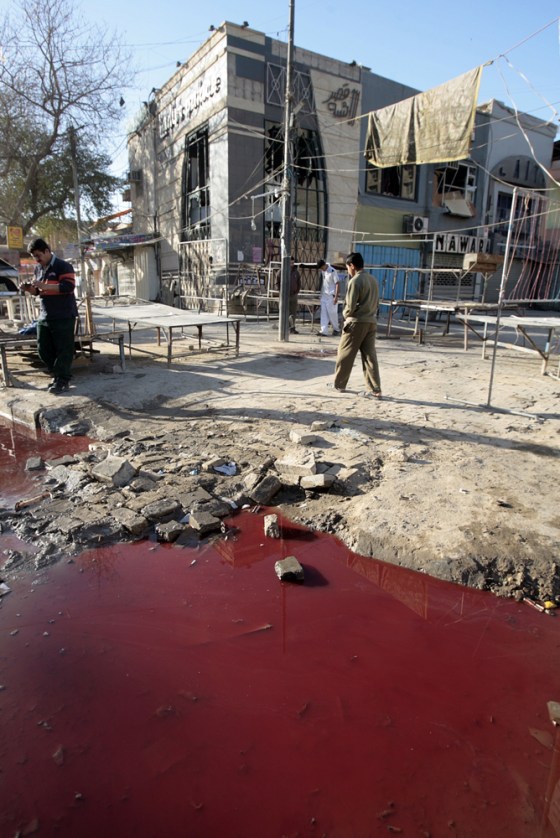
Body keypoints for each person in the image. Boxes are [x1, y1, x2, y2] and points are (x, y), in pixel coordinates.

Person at [21, 238, 78, 394]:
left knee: (64, 348)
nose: (37, 259)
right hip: (46, 314)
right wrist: (29, 289)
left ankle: (62, 379)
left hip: (63, 314)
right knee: (43, 348)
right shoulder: (38, 269)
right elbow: (38, 292)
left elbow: (68, 286)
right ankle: (57, 374)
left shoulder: (63, 266)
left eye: (38, 255)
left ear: (47, 251)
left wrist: (45, 286)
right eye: (34, 257)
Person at [332, 251, 382, 398]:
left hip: (356, 322)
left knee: (345, 354)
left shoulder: (355, 281)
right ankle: (375, 389)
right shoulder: (373, 280)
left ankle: (339, 384)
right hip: (371, 322)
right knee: (369, 357)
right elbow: (376, 303)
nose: (348, 270)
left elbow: (350, 307)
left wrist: (345, 315)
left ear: (352, 266)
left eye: (347, 267)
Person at [316, 258, 340, 336]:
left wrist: (336, 296)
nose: (322, 269)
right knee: (323, 313)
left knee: (332, 314)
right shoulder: (323, 271)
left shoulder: (333, 271)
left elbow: (337, 283)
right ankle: (324, 331)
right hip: (324, 295)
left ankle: (336, 329)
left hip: (331, 296)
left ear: (324, 265)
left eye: (322, 267)